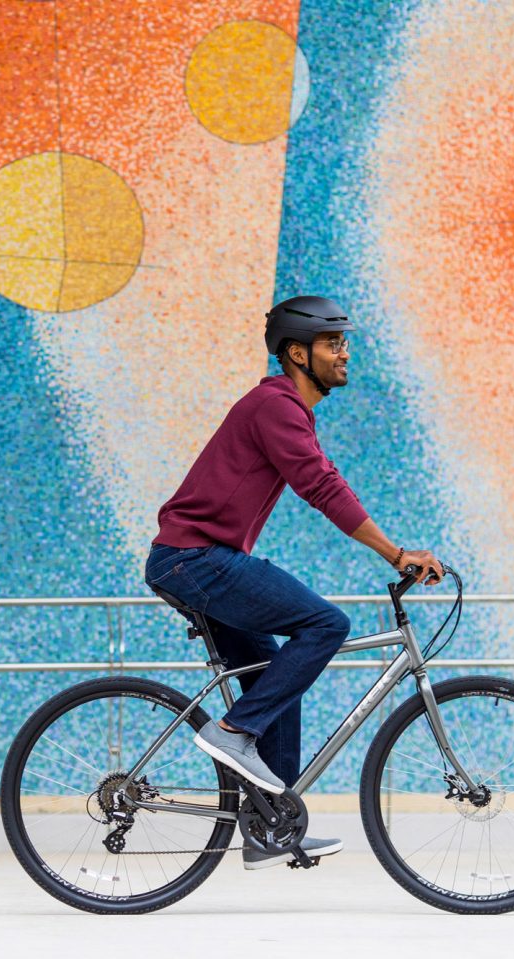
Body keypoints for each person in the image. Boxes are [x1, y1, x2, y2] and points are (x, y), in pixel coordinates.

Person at [143, 295, 444, 870]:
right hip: (195, 559)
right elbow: (321, 486)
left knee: (272, 674)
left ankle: (270, 828)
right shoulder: (275, 405)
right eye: (333, 343)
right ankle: (233, 733)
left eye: (344, 342)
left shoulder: (285, 409)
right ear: (298, 354)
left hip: (193, 560)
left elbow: (322, 477)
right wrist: (396, 554)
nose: (344, 352)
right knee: (325, 624)